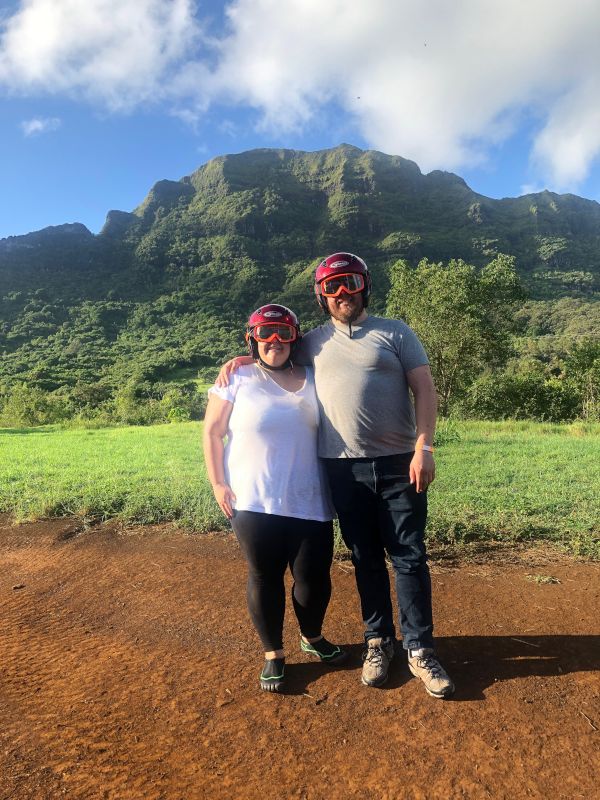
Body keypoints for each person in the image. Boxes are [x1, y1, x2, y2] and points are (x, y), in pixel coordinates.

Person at [218, 254, 454, 698]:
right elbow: (273, 351)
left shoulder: (396, 332)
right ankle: (379, 641)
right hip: (342, 468)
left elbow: (424, 388)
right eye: (333, 286)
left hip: (400, 462)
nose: (342, 293)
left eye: (350, 282)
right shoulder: (311, 342)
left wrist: (424, 447)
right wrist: (240, 360)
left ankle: (420, 649)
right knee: (365, 557)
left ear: (364, 285)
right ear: (321, 295)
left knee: (408, 556)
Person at [203, 303, 346, 694]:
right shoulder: (237, 377)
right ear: (252, 338)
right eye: (265, 333)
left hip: (309, 498)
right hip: (253, 500)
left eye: (284, 333)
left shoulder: (315, 378)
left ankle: (312, 637)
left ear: (295, 339)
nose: (275, 341)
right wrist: (218, 483)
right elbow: (213, 433)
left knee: (313, 578)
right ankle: (273, 654)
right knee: (265, 575)